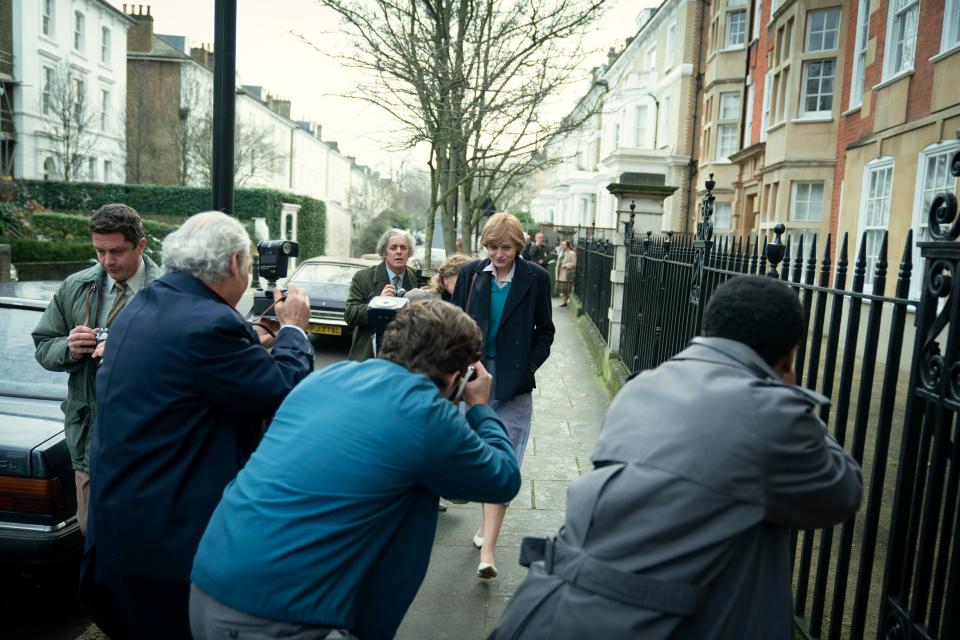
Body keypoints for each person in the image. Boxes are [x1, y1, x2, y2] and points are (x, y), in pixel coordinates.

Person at [490, 276, 863, 639]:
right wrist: (787, 396)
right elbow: (843, 490)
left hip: (556, 606)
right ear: (788, 354)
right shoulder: (767, 415)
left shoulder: (642, 386)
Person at [189, 299, 521, 640]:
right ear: (457, 377)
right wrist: (480, 408)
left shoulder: (329, 377)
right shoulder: (423, 412)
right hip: (283, 617)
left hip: (209, 587)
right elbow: (503, 479)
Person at [83, 211, 315, 639]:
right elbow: (281, 392)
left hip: (122, 531)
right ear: (233, 265)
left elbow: (192, 373)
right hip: (172, 547)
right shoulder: (210, 324)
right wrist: (293, 331)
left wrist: (255, 338)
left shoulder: (147, 304)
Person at [32, 203, 162, 536]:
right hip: (89, 438)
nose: (107, 261)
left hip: (148, 442)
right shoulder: (76, 286)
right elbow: (44, 346)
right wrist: (69, 348)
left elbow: (188, 363)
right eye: (99, 251)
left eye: (117, 251)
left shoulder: (167, 292)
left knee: (143, 539)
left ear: (141, 245)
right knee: (93, 534)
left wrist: (132, 353)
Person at [451, 212, 555, 579]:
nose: (498, 254)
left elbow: (546, 331)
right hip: (473, 378)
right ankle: (485, 527)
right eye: (492, 247)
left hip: (513, 384)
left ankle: (490, 551)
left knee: (505, 458)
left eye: (505, 247)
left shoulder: (536, 278)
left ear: (519, 246)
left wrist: (526, 369)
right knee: (476, 456)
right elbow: (456, 321)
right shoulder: (470, 274)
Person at [345, 228, 418, 361]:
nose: (399, 252)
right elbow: (350, 315)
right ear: (384, 252)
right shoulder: (363, 277)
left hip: (405, 356)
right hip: (370, 355)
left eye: (403, 247)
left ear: (409, 253)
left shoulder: (417, 279)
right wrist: (378, 303)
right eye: (393, 248)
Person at [556, 240, 577, 307]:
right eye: (561, 245)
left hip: (566, 273)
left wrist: (566, 265)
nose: (562, 246)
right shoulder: (561, 252)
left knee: (566, 289)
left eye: (563, 245)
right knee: (563, 289)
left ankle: (564, 302)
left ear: (567, 246)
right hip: (560, 273)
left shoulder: (571, 253)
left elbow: (574, 263)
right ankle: (564, 301)